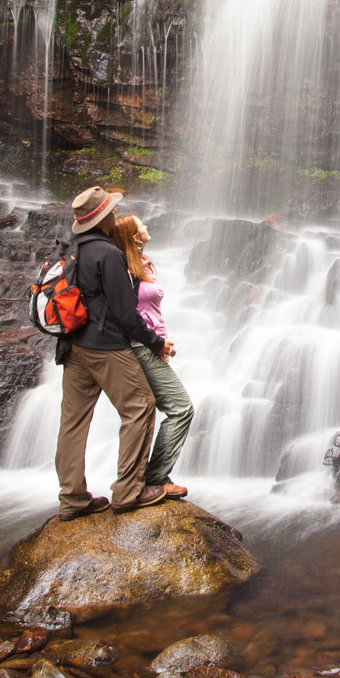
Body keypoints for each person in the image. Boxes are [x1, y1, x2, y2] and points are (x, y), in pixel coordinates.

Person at [54, 185, 168, 519]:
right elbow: (125, 312)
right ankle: (128, 491)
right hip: (105, 349)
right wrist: (155, 342)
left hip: (72, 346)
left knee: (72, 422)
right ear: (103, 218)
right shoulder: (108, 254)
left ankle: (72, 499)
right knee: (141, 405)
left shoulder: (72, 251)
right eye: (112, 211)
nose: (116, 214)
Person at [109, 214, 193, 500]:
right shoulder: (125, 269)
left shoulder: (141, 265)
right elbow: (128, 315)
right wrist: (155, 344)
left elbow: (149, 312)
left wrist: (162, 344)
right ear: (134, 237)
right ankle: (154, 477)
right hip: (140, 348)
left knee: (153, 411)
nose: (147, 227)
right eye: (142, 225)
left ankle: (147, 476)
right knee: (181, 408)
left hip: (151, 346)